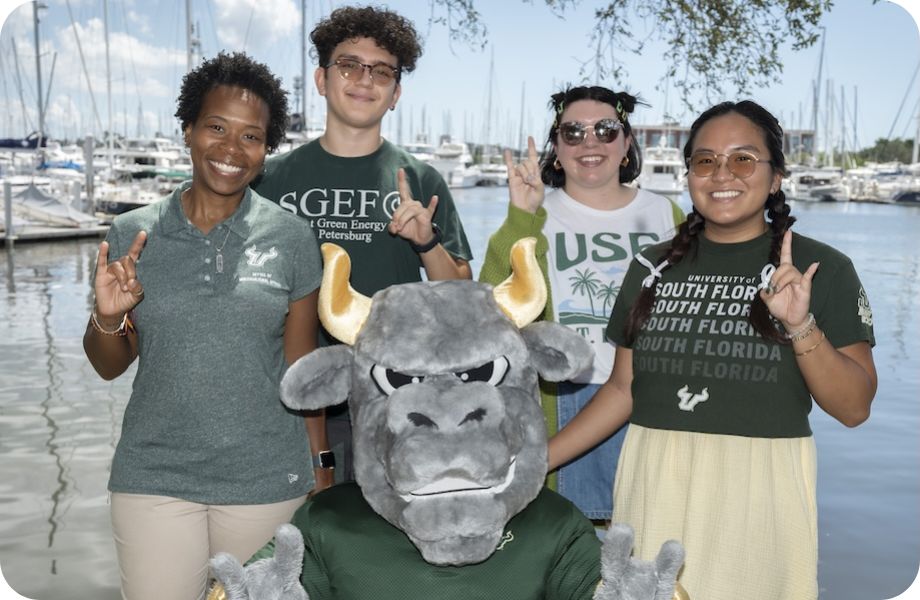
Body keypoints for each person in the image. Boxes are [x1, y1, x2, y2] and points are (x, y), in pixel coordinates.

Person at [548, 100, 878, 599]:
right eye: (705, 161)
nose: (722, 173)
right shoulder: (651, 267)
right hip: (652, 488)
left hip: (758, 502)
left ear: (775, 177)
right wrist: (535, 465)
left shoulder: (818, 267)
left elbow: (854, 408)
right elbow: (622, 390)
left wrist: (801, 324)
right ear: (689, 176)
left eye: (743, 159)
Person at [83, 52, 325, 600]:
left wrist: (321, 470)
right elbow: (107, 365)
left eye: (251, 137)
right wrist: (109, 315)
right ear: (188, 130)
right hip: (154, 478)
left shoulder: (290, 237)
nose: (231, 150)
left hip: (267, 478)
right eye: (216, 128)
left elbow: (302, 370)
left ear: (265, 151)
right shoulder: (131, 233)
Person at [252, 5, 473, 482]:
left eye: (381, 72)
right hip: (288, 396)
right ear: (320, 79)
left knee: (389, 540)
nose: (363, 80)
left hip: (394, 393)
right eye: (349, 65)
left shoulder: (421, 178)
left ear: (395, 93)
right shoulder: (271, 177)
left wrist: (425, 241)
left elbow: (460, 293)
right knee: (301, 539)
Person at [478, 86, 683, 522]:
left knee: (647, 552)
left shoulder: (668, 215)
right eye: (573, 132)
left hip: (652, 405)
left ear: (627, 143)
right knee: (578, 557)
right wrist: (521, 216)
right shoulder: (537, 214)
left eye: (606, 130)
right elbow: (493, 311)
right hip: (566, 401)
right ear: (557, 149)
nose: (590, 142)